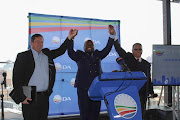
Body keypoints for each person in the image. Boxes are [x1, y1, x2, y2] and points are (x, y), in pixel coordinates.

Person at [12, 30, 77, 120]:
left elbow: (60, 50)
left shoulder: (47, 54)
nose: (40, 44)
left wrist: (69, 37)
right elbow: (16, 79)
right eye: (37, 41)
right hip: (29, 95)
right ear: (31, 43)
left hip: (44, 96)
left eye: (42, 41)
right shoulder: (23, 56)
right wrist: (22, 97)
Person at [67, 25, 117, 120]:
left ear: (94, 46)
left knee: (95, 113)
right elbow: (70, 52)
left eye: (91, 45)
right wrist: (71, 39)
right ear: (84, 47)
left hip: (96, 88)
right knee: (84, 114)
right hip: (83, 89)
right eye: (87, 45)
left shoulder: (98, 54)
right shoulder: (79, 55)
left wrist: (111, 36)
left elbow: (107, 49)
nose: (89, 46)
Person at [114, 41, 154, 119]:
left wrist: (151, 91)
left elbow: (148, 78)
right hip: (130, 93)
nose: (138, 51)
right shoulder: (128, 58)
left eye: (140, 49)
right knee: (130, 114)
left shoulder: (146, 64)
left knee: (141, 113)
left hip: (143, 94)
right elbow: (119, 50)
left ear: (142, 51)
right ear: (132, 51)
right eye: (136, 49)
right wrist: (114, 38)